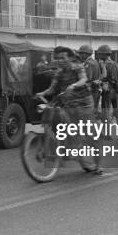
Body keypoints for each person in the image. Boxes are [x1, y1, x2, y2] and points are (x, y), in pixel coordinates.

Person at [36, 46, 102, 174]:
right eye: (57, 58)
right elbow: (52, 88)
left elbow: (84, 79)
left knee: (92, 136)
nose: (60, 60)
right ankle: (70, 150)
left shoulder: (77, 66)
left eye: (63, 58)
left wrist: (74, 85)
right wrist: (42, 93)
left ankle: (98, 166)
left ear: (70, 58)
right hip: (68, 104)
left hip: (84, 104)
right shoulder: (59, 72)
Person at [96, 45, 118, 123]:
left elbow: (106, 78)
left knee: (105, 113)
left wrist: (100, 82)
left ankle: (107, 134)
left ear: (105, 54)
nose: (99, 56)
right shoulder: (115, 64)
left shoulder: (105, 65)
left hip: (108, 91)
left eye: (100, 54)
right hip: (116, 91)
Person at [77, 44, 101, 112]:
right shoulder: (95, 62)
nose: (80, 55)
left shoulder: (88, 63)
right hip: (95, 90)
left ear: (86, 54)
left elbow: (87, 79)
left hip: (91, 91)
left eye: (81, 53)